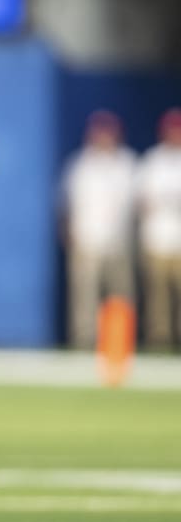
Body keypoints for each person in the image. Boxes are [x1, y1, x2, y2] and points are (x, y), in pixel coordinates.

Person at [60, 110, 137, 349]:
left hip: (118, 242)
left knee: (120, 296)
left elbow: (138, 206)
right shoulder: (79, 165)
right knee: (84, 298)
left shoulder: (127, 164)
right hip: (86, 240)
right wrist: (68, 233)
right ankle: (84, 342)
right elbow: (64, 205)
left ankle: (120, 344)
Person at [137, 108, 181, 350]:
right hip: (157, 239)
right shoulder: (153, 161)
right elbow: (144, 202)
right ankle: (159, 341)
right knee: (158, 298)